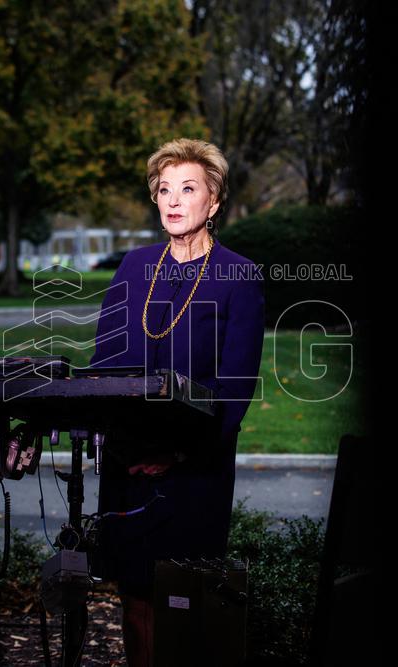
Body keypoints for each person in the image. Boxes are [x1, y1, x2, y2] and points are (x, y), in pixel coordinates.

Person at [88, 138, 265, 666]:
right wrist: (120, 443)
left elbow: (234, 390)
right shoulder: (133, 267)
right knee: (134, 595)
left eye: (188, 189)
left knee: (182, 601)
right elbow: (104, 363)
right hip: (127, 464)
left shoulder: (239, 276)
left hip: (194, 469)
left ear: (214, 201)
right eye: (164, 189)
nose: (173, 200)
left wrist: (178, 454)